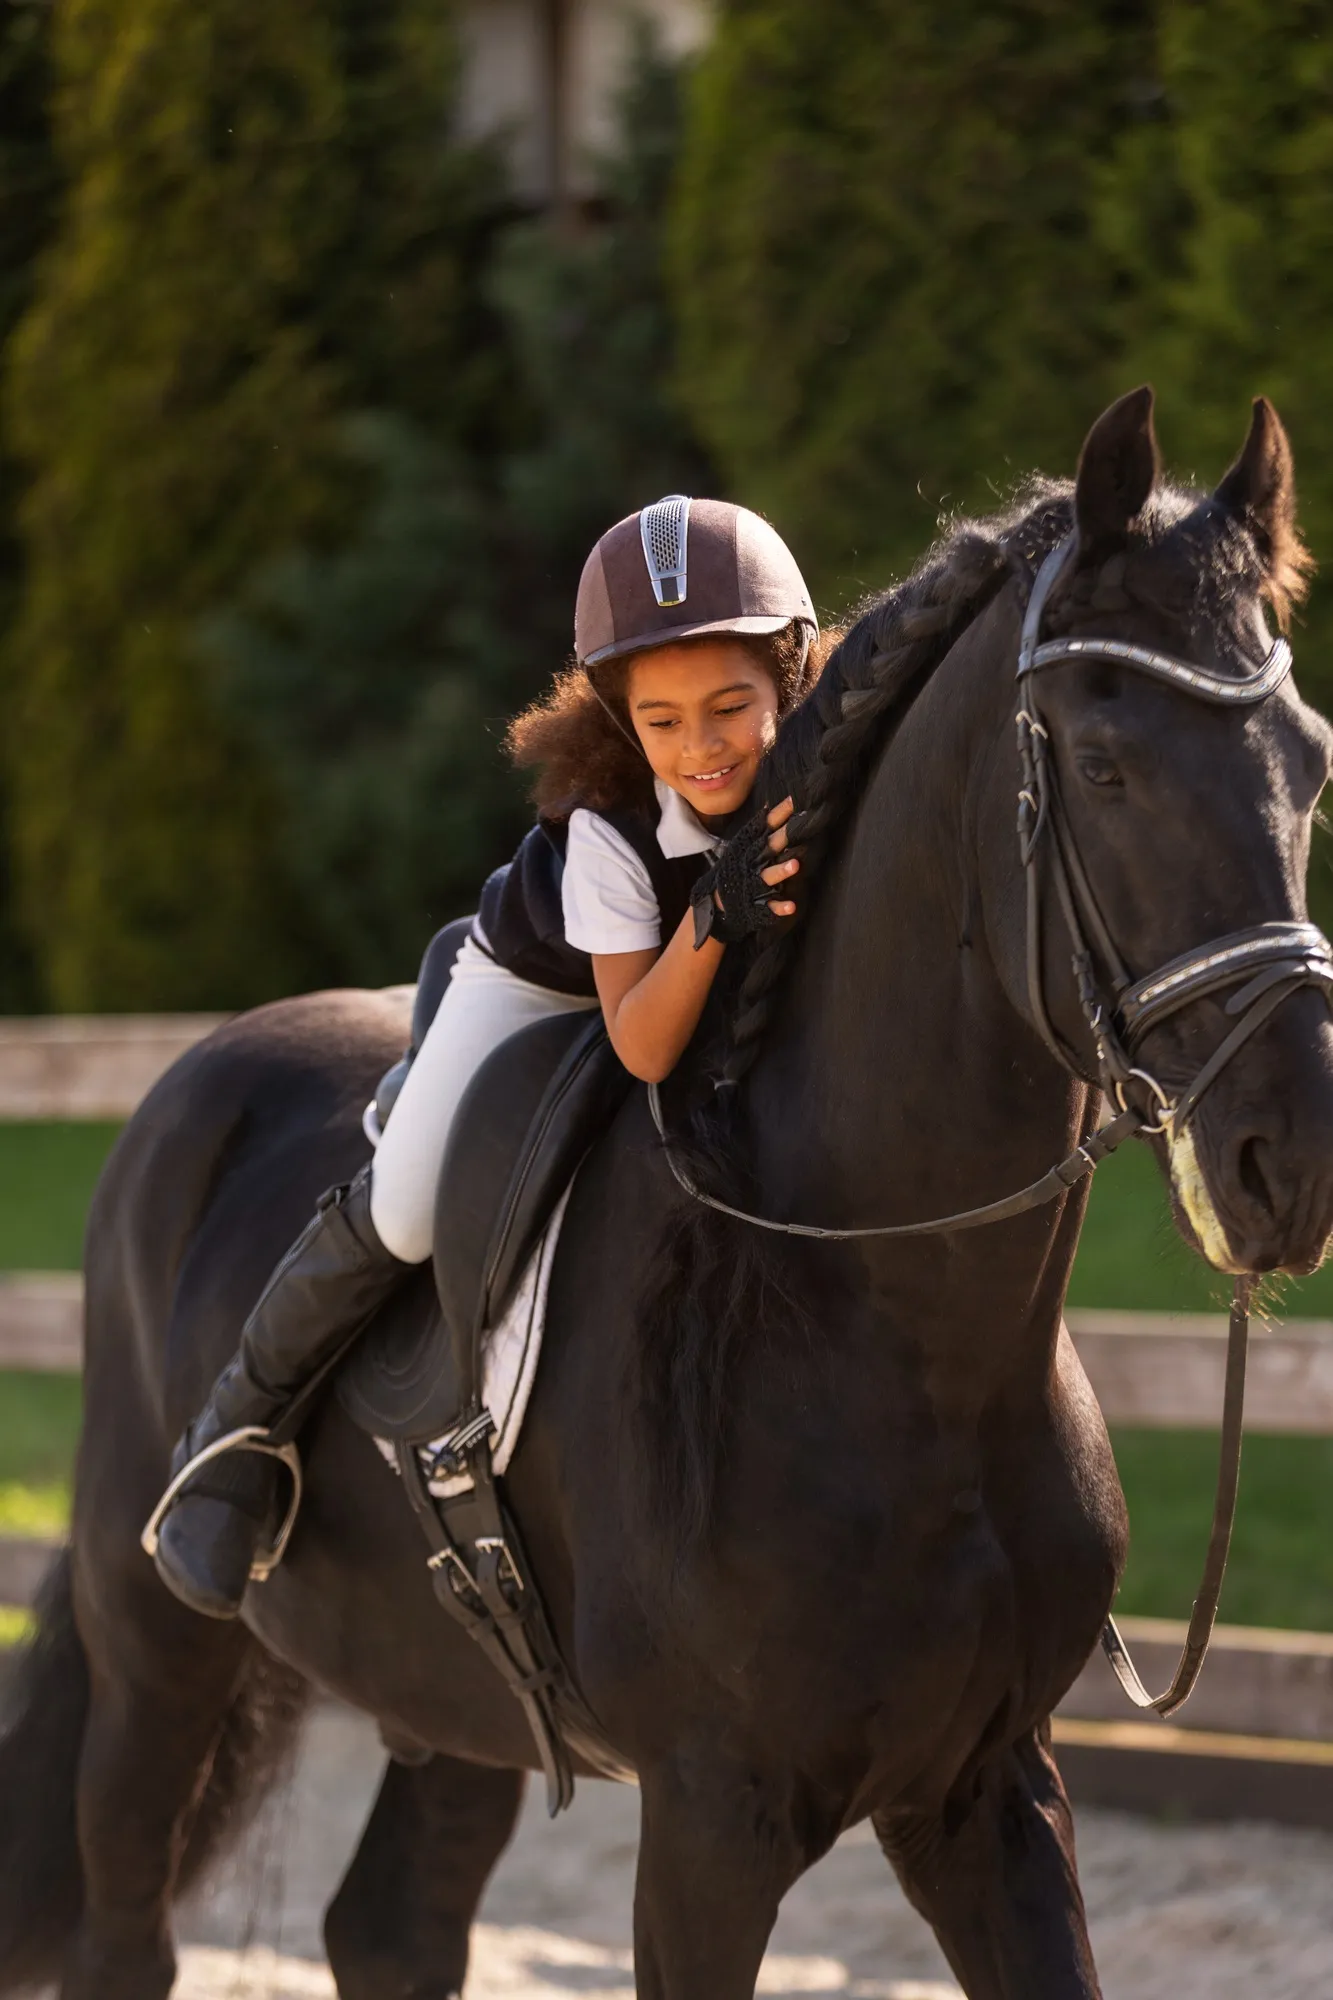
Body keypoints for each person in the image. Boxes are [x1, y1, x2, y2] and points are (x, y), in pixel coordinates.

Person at [147, 496, 824, 1619]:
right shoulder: (607, 825)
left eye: (729, 707)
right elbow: (644, 1039)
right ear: (618, 715)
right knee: (410, 1205)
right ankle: (236, 1427)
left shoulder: (818, 767)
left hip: (690, 967)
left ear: (792, 677)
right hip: (541, 986)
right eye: (660, 721)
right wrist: (715, 912)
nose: (700, 747)